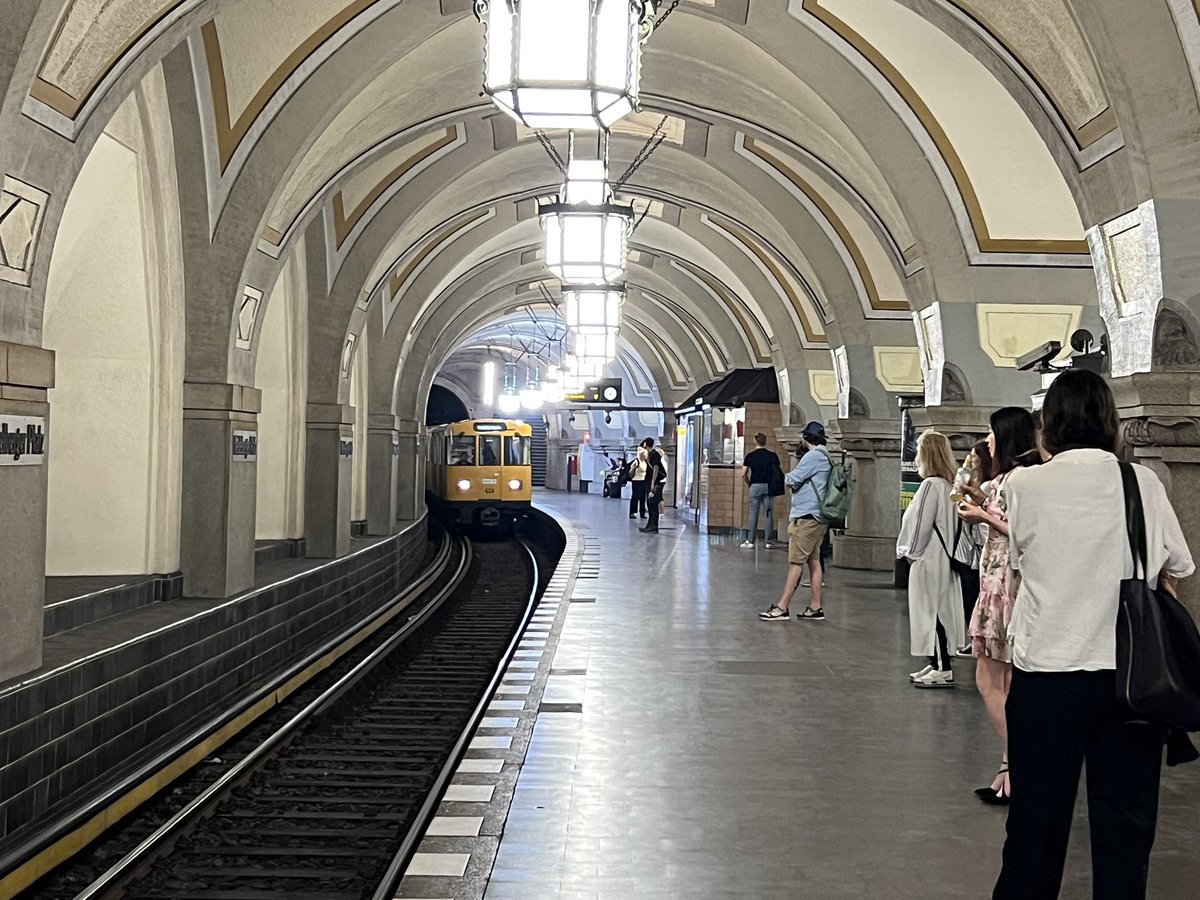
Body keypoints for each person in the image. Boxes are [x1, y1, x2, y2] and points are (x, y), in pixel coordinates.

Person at [992, 370, 1193, 899]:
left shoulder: (1024, 484)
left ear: (1049, 424)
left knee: (1036, 824)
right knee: (1125, 829)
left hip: (1048, 676)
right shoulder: (1142, 481)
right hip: (1131, 678)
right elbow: (1176, 565)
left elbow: (1023, 559)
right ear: (1110, 420)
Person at [956, 408, 1038, 804]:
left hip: (1005, 582)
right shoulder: (1009, 478)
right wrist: (979, 503)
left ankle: (1018, 764)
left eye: (991, 434)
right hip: (997, 579)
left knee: (989, 680)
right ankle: (1010, 767)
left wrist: (982, 516)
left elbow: (1023, 530)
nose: (987, 441)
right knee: (1002, 682)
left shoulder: (1021, 479)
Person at [896, 430, 969, 688]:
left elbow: (921, 526)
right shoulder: (949, 487)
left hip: (929, 556)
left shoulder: (929, 486)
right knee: (941, 608)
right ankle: (937, 661)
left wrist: (910, 554)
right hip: (945, 556)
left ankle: (942, 666)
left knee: (930, 611)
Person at [758, 422, 831, 622]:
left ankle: (782, 607)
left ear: (805, 438)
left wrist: (789, 476)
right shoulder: (826, 455)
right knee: (814, 562)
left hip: (806, 517)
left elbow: (791, 479)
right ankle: (815, 607)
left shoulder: (814, 456)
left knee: (796, 563)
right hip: (818, 517)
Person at [741, 432, 780, 549]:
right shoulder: (772, 456)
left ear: (755, 441)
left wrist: (750, 484)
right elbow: (776, 472)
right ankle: (769, 541)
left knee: (753, 514)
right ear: (765, 441)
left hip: (755, 486)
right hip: (768, 487)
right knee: (768, 514)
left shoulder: (750, 456)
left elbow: (743, 474)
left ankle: (750, 540)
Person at [640, 438, 667, 534]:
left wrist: (653, 482)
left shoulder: (654, 454)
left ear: (646, 444)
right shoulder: (650, 455)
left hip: (654, 483)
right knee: (650, 503)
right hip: (650, 482)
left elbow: (656, 468)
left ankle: (653, 526)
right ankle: (650, 525)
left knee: (652, 503)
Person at [628, 443, 648, 520]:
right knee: (635, 497)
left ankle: (642, 513)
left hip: (643, 481)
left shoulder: (644, 462)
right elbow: (631, 471)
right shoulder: (637, 461)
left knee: (643, 497)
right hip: (636, 481)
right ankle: (632, 512)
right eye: (645, 454)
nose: (646, 456)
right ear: (642, 455)